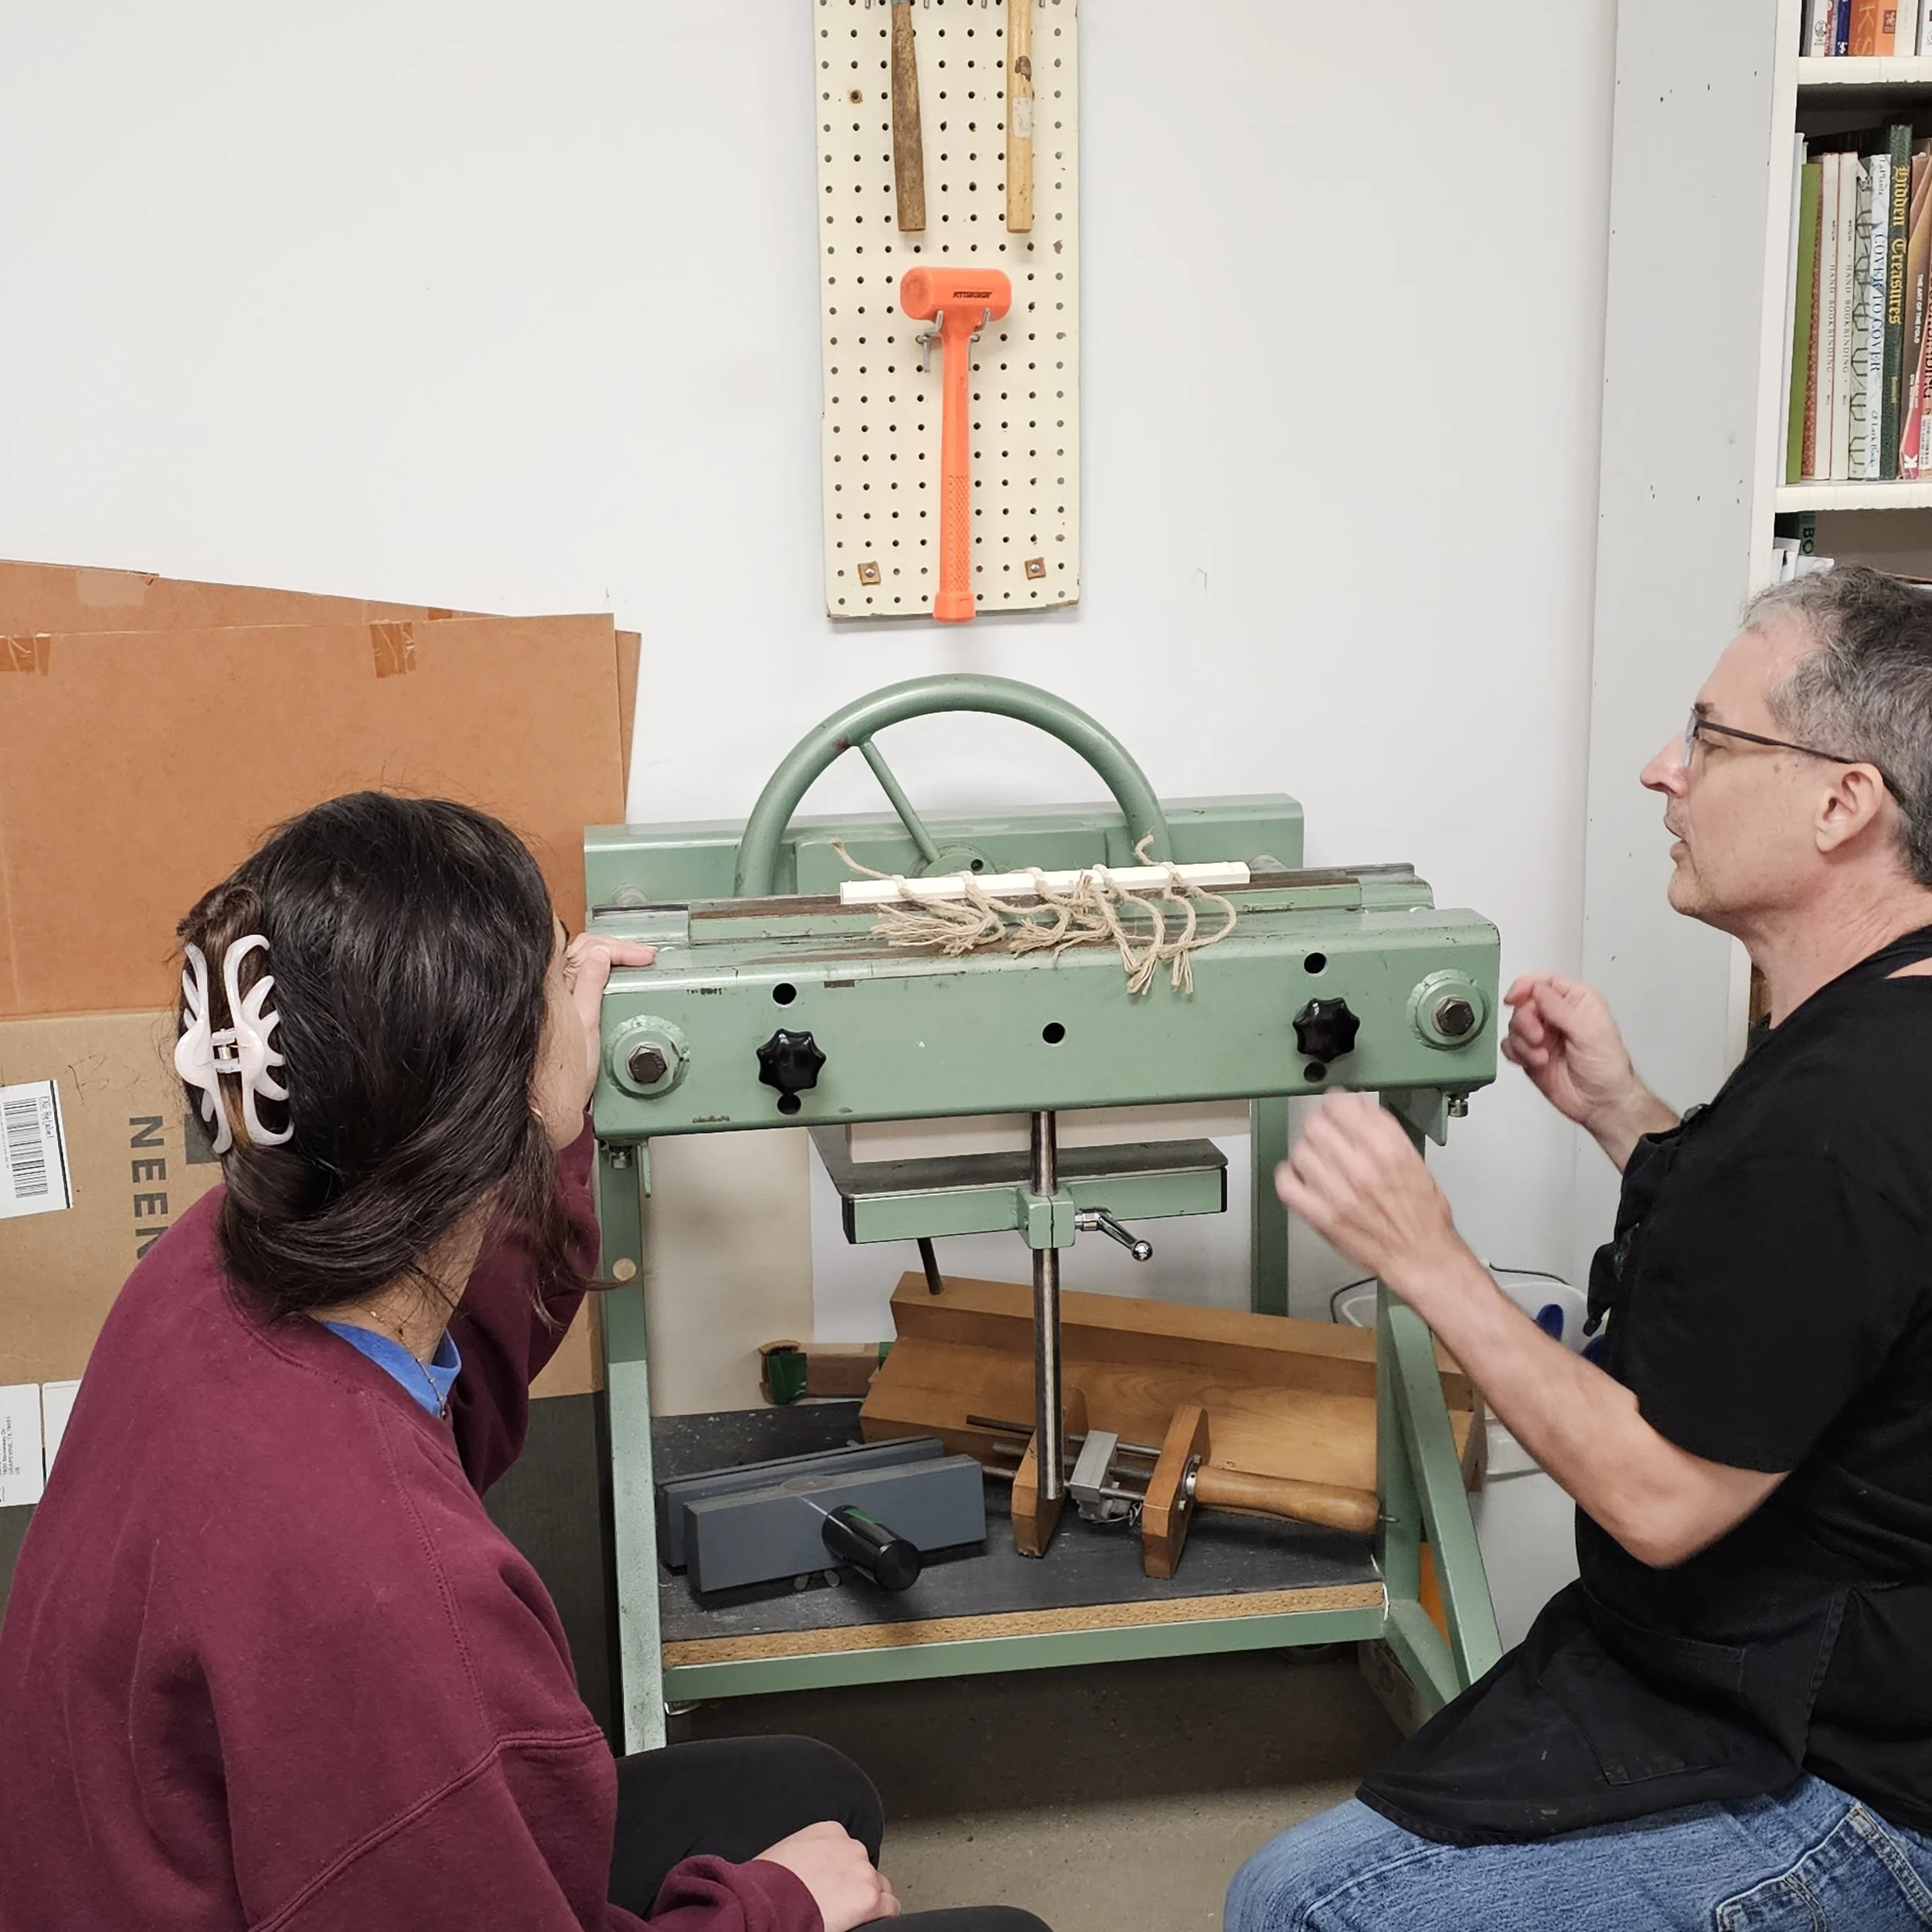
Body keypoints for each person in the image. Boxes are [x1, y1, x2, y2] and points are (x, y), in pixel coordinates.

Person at [0, 791, 1047, 1932]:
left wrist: (554, 1117)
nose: (581, 990)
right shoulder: (400, 1596)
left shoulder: (212, 1265)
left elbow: (469, 1338)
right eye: (559, 977)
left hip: (208, 1861)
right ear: (486, 1092)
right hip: (319, 1867)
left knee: (809, 1792)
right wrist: (773, 1908)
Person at [1226, 565, 1932, 1930]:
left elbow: (1660, 1501)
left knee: (1307, 1907)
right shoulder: (1878, 1034)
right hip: (1829, 1670)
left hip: (1857, 1772)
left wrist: (1431, 1262)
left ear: (1845, 802)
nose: (1666, 771)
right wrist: (1632, 1123)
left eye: (1715, 739)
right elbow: (1804, 1297)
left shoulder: (1844, 1117)